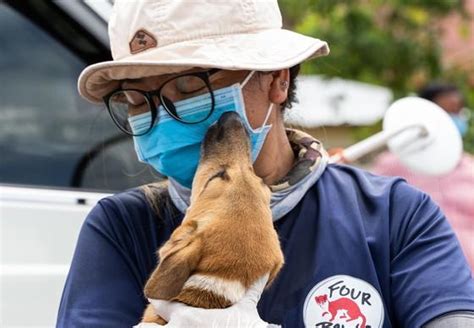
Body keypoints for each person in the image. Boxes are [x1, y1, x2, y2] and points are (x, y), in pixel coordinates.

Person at [57, 1, 474, 327]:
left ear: (277, 79)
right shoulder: (124, 227)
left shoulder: (394, 215)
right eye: (136, 101)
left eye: (189, 87)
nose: (163, 116)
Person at [372, 82, 474, 269]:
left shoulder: (469, 167)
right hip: (420, 276)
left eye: (458, 111)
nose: (455, 119)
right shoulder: (391, 166)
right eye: (447, 112)